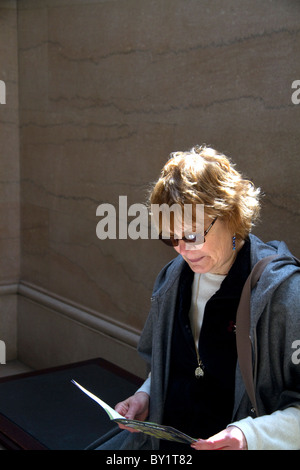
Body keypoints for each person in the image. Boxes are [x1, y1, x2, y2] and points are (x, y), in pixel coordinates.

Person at [98, 145, 300, 450]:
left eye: (192, 235)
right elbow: (170, 365)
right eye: (171, 238)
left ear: (230, 215)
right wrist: (147, 396)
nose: (182, 249)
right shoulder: (172, 279)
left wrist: (250, 436)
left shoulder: (285, 294)